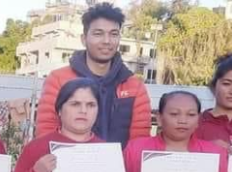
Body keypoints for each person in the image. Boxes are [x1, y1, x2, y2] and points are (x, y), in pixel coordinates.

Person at [35, 2, 151, 147]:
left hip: (119, 168)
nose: (107, 41)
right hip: (68, 165)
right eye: (98, 33)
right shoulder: (58, 79)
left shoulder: (135, 86)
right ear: (84, 39)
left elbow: (139, 142)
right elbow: (46, 133)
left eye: (113, 34)